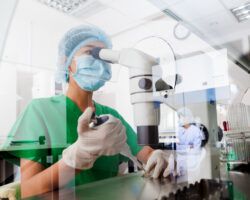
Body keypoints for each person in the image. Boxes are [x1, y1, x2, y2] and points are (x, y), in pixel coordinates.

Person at [5, 25, 172, 198]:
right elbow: (29, 191)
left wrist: (157, 157)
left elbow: (146, 154)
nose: (99, 62)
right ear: (67, 63)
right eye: (90, 53)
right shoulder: (39, 111)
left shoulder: (111, 116)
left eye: (104, 56)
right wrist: (77, 159)